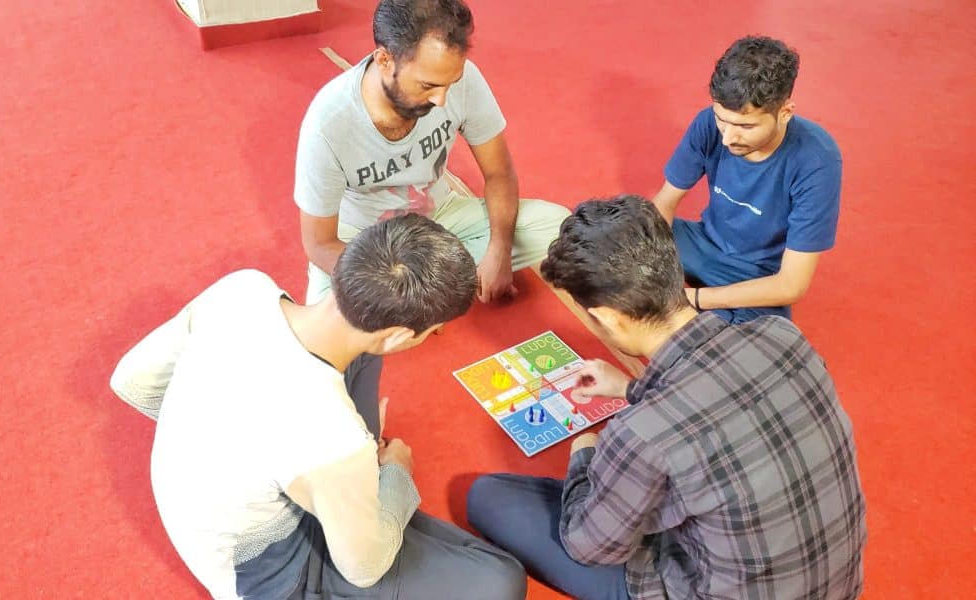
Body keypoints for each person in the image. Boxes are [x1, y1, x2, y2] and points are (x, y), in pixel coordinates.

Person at [467, 196, 867, 599]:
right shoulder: (783, 336)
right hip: (838, 586)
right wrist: (630, 388)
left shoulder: (640, 433)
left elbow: (587, 545)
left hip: (706, 588)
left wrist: (584, 454)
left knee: (489, 496)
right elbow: (716, 399)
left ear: (608, 318)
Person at [109, 214, 527, 600]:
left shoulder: (244, 289)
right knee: (500, 581)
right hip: (267, 574)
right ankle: (360, 491)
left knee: (362, 358)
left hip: (222, 504)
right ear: (400, 336)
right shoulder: (331, 435)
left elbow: (131, 381)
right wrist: (397, 471)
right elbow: (364, 568)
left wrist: (220, 424)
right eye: (432, 331)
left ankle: (349, 493)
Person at [295, 0, 569, 306]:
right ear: (384, 60)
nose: (441, 99)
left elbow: (499, 173)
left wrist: (498, 251)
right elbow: (320, 244)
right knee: (325, 311)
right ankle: (435, 283)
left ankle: (433, 282)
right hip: (363, 240)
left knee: (559, 228)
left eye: (450, 83)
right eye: (427, 86)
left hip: (440, 218)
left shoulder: (462, 79)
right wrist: (396, 285)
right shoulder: (328, 124)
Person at [650, 36, 843, 324]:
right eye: (722, 120)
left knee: (754, 345)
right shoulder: (708, 123)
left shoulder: (817, 160)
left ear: (785, 113)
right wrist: (645, 268)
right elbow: (664, 204)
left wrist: (692, 299)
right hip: (701, 244)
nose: (727, 138)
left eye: (745, 126)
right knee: (615, 231)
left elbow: (791, 285)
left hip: (755, 275)